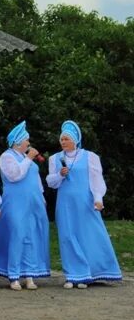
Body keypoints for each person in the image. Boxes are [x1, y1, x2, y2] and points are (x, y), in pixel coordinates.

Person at [46, 120, 122, 289]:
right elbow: (51, 182)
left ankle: (95, 271)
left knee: (90, 234)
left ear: (75, 140)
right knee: (68, 236)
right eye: (62, 139)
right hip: (65, 204)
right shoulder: (55, 158)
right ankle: (75, 274)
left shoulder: (90, 157)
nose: (63, 142)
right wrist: (60, 174)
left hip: (85, 202)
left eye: (66, 139)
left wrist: (98, 199)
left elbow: (96, 180)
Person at [0, 121, 50, 291]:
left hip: (33, 203)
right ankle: (14, 276)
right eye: (26, 140)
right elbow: (15, 175)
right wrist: (28, 158)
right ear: (18, 142)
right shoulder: (7, 156)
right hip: (16, 203)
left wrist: (42, 197)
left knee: (31, 237)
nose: (29, 143)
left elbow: (36, 180)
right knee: (17, 235)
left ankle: (30, 275)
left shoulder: (28, 160)